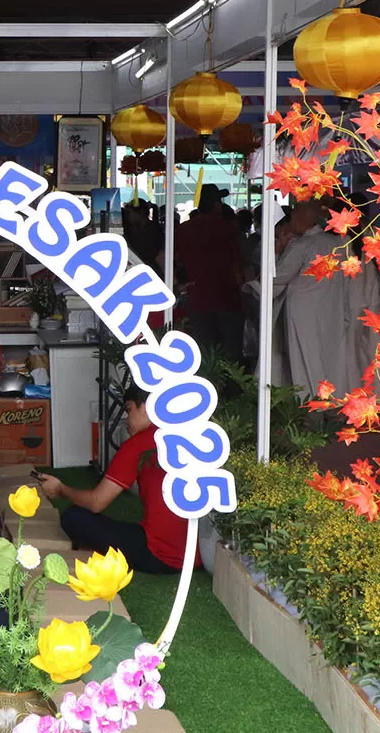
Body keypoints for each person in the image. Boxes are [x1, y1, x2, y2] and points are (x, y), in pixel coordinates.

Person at [36, 386, 192, 574]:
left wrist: (60, 489)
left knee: (74, 517)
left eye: (129, 410)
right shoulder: (185, 435)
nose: (127, 419)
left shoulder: (139, 444)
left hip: (161, 556)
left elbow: (96, 503)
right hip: (194, 555)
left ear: (146, 407)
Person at [269, 199, 380, 399]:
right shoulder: (364, 235)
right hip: (368, 299)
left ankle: (350, 397)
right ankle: (370, 396)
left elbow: (280, 277)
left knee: (345, 356)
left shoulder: (333, 241)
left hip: (347, 301)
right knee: (368, 352)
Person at [173, 184, 244, 362]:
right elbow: (237, 265)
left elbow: (165, 257)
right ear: (216, 205)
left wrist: (176, 283)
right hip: (227, 296)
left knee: (203, 353)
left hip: (197, 296)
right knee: (231, 354)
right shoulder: (228, 229)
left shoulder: (183, 230)